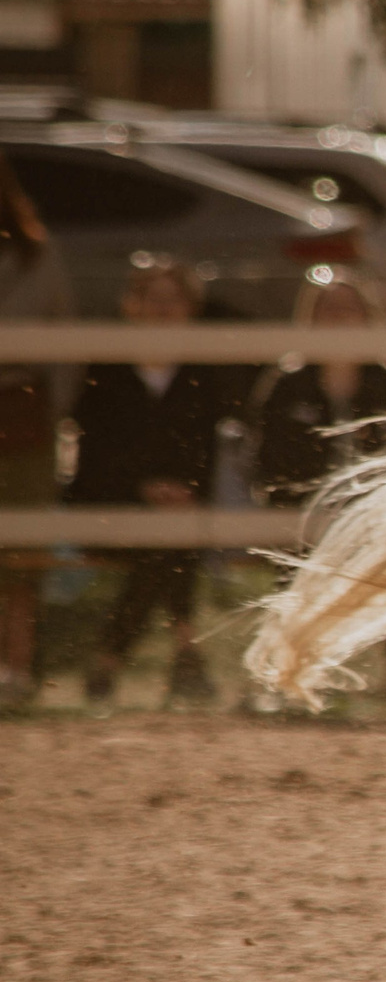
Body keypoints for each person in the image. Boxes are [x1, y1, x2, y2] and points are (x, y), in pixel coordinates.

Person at [68, 259, 234, 703]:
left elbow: (206, 452)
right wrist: (141, 488)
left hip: (182, 509)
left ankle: (108, 661)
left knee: (169, 534)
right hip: (109, 504)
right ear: (132, 305)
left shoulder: (203, 372)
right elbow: (95, 452)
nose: (163, 308)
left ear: (189, 308)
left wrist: (187, 490)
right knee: (165, 536)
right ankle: (186, 650)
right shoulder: (108, 369)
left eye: (172, 299)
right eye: (152, 298)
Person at [253, 276, 386, 693]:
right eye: (328, 310)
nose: (339, 318)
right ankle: (296, 671)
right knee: (297, 552)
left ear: (368, 319)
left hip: (379, 512)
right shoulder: (288, 384)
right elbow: (268, 462)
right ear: (310, 320)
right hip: (304, 513)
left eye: (349, 309)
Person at [0, 153, 71, 704]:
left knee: (23, 547)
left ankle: (18, 670)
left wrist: (55, 412)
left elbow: (65, 341)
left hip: (22, 411)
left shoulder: (37, 256)